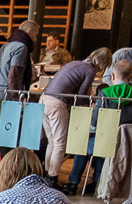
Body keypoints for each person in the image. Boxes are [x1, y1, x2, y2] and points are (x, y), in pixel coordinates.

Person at [40, 48, 113, 188]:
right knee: (60, 143)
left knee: (52, 142)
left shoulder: (74, 63)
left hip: (44, 99)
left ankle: (47, 174)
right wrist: (87, 108)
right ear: (103, 63)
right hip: (57, 103)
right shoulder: (89, 70)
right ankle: (52, 178)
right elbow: (81, 96)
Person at [66, 60, 132, 195]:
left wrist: (92, 127)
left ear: (112, 76)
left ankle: (73, 183)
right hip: (126, 141)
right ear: (130, 77)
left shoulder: (105, 92)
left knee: (83, 144)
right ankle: (97, 181)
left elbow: (96, 117)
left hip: (105, 140)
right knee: (102, 147)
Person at [0, 21, 40, 108]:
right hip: (5, 97)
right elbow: (14, 74)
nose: (35, 39)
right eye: (35, 34)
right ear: (29, 31)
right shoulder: (21, 47)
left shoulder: (7, 44)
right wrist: (17, 98)